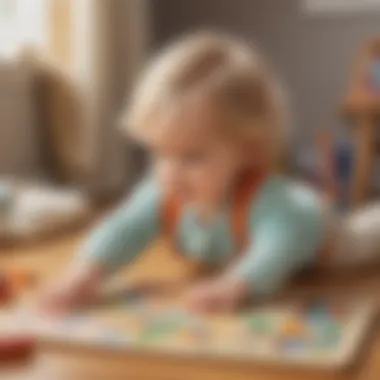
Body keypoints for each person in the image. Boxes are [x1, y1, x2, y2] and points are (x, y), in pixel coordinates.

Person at [39, 31, 380, 314]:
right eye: (159, 153)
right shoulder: (164, 192)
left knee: (368, 237)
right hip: (252, 252)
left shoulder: (268, 200)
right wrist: (85, 273)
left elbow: (280, 245)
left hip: (322, 239)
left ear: (247, 149)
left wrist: (236, 284)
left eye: (192, 157)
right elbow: (123, 227)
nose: (171, 172)